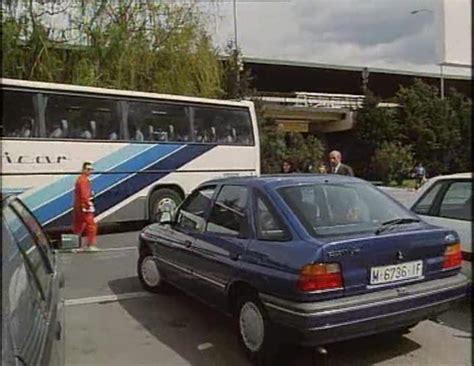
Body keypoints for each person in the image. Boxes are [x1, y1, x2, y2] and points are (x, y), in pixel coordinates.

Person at [73, 162, 100, 252]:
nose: (90, 171)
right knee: (91, 225)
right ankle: (90, 245)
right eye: (88, 169)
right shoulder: (83, 180)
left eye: (91, 169)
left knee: (79, 226)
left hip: (79, 206)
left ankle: (75, 245)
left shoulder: (81, 179)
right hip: (84, 206)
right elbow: (84, 195)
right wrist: (88, 204)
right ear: (83, 170)